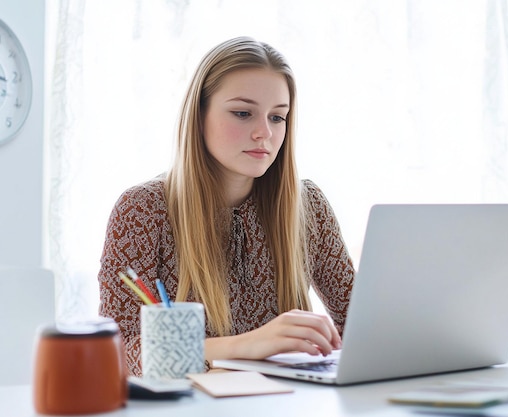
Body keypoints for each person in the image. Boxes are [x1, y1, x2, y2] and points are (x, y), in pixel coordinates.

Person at [97, 36, 355, 376]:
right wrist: (245, 346)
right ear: (199, 115)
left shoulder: (308, 207)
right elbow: (116, 351)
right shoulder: (143, 210)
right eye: (243, 113)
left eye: (278, 117)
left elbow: (361, 323)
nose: (264, 133)